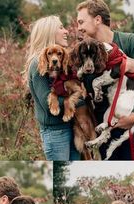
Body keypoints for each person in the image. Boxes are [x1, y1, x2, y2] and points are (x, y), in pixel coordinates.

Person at [77, 0, 134, 160]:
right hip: (102, 126)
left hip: (131, 122)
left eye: (81, 22)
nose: (79, 28)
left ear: (97, 20)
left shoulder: (129, 41)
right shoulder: (83, 50)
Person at [24, 15, 87, 161]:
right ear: (49, 32)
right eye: (61, 27)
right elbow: (49, 107)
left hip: (72, 127)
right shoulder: (38, 64)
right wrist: (82, 101)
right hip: (55, 132)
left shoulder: (63, 62)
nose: (66, 31)